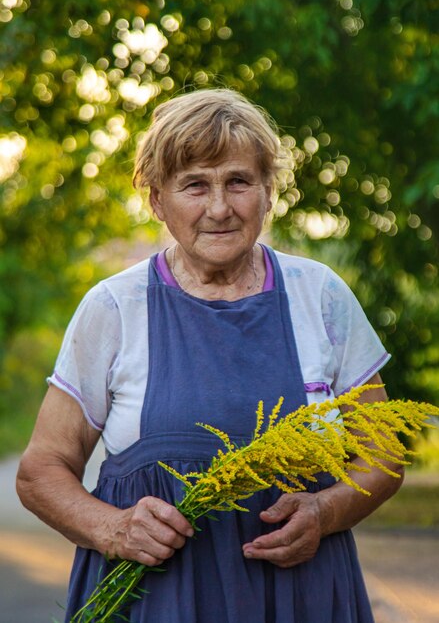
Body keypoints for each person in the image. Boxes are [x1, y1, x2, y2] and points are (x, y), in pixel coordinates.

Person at [17, 88, 401, 623]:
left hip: (302, 598)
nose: (219, 208)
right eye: (194, 185)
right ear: (157, 200)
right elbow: (41, 471)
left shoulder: (320, 295)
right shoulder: (114, 308)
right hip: (158, 602)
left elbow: (382, 455)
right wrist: (114, 529)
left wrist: (325, 511)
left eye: (239, 182)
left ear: (269, 193)